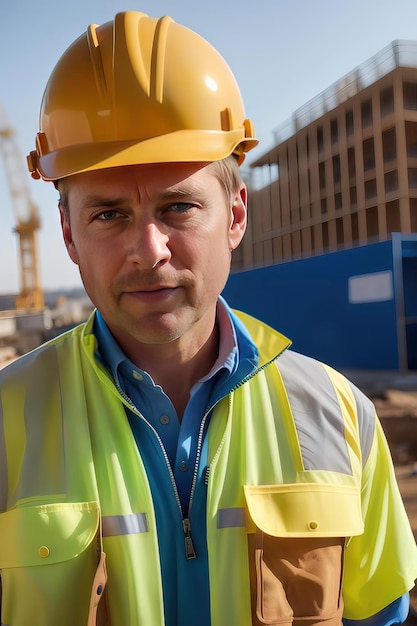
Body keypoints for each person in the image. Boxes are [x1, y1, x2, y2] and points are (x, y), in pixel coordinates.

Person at [0, 10, 416, 626]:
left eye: (179, 206)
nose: (150, 249)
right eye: (109, 215)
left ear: (236, 215)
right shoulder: (6, 421)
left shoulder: (341, 414)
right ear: (67, 232)